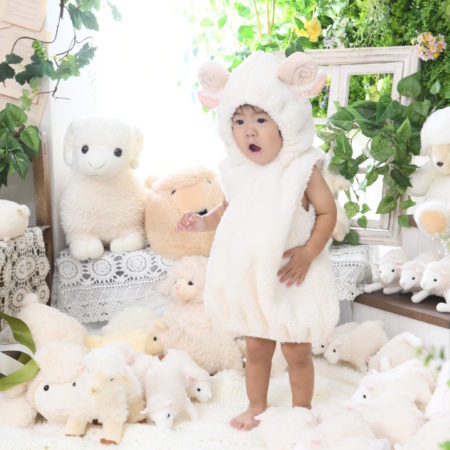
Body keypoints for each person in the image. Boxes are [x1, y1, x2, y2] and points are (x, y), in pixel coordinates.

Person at [176, 51, 339, 431]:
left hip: (292, 275)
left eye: (261, 120)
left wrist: (308, 252)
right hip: (257, 278)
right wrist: (203, 222)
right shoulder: (240, 172)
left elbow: (327, 213)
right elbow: (229, 211)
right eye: (239, 121)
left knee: (296, 349)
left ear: (285, 123)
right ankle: (256, 406)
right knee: (257, 347)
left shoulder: (301, 169)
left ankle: (301, 408)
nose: (249, 131)